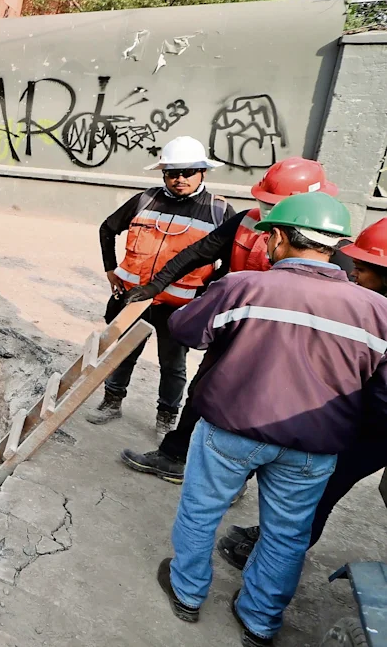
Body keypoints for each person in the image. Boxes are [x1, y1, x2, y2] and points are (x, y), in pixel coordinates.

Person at [157, 193, 387, 646]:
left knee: (202, 510)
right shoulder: (379, 313)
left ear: (279, 236)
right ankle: (259, 621)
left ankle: (187, 594)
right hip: (314, 447)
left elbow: (184, 330)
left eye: (269, 238)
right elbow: (381, 396)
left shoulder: (244, 286)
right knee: (288, 534)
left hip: (230, 430)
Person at [120, 158, 351, 483]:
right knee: (203, 389)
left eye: (278, 206)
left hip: (289, 344)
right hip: (237, 331)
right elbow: (198, 252)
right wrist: (155, 286)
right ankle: (175, 456)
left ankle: (232, 480)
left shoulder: (331, 248)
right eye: (265, 203)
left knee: (260, 407)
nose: (268, 214)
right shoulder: (246, 222)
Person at [216, 218, 387, 571]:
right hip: (360, 419)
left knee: (321, 491)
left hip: (373, 429)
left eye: (362, 269)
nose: (353, 275)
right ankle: (273, 542)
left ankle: (274, 559)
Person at [87, 136, 233, 439]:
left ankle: (166, 416)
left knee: (172, 364)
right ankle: (111, 402)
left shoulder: (219, 212)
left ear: (203, 172)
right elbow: (107, 228)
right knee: (122, 354)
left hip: (178, 307)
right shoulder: (145, 200)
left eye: (188, 172)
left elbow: (229, 262)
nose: (179, 179)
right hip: (134, 299)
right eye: (171, 173)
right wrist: (110, 269)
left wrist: (207, 297)